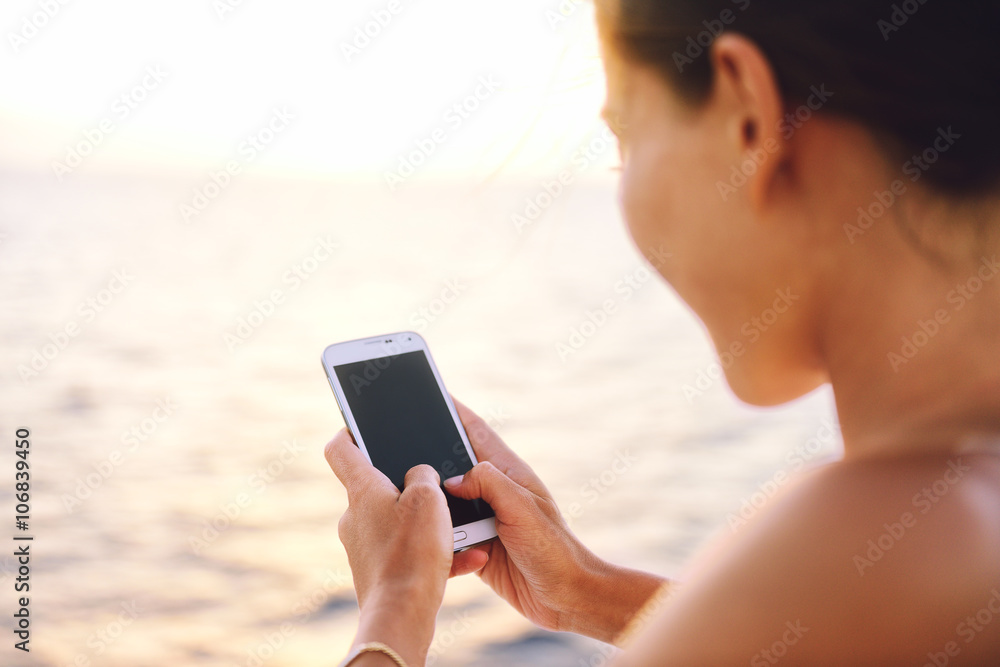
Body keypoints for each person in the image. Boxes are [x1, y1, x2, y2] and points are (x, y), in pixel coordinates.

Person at [325, 1, 1000, 664]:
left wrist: (396, 602)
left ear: (746, 118)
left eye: (623, 143)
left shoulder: (865, 540)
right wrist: (587, 591)